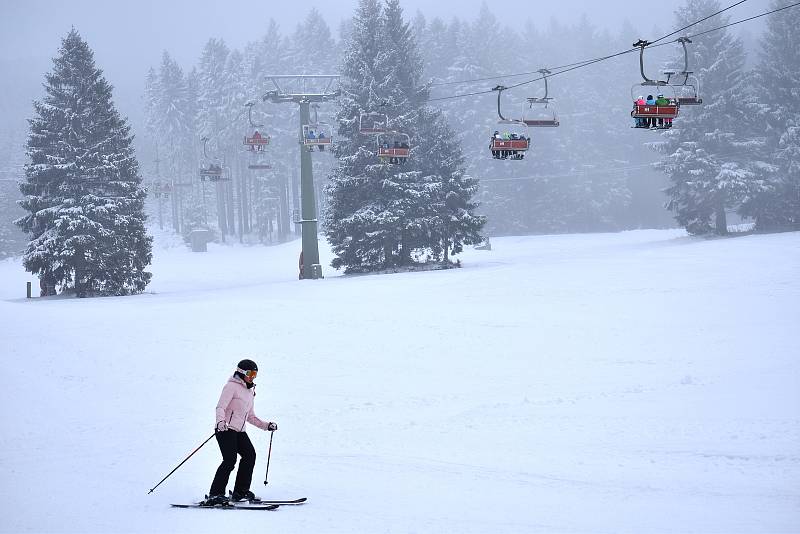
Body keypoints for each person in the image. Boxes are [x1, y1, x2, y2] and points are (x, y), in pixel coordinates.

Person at [205, 359, 277, 506]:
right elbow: (220, 407)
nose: (253, 377)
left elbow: (250, 416)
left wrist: (266, 425)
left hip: (240, 430)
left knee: (250, 455)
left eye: (255, 374)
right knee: (230, 460)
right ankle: (215, 494)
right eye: (250, 373)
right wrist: (220, 422)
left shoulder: (250, 392)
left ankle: (240, 492)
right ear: (241, 372)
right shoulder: (231, 387)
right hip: (225, 428)